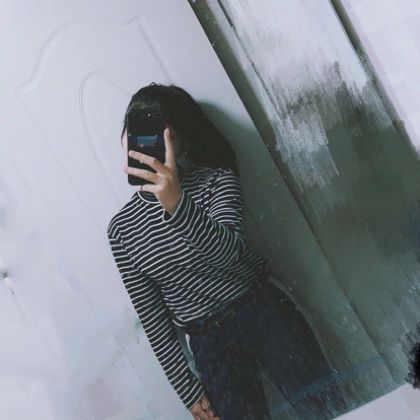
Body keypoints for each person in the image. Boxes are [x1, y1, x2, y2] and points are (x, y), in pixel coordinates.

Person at [107, 83, 348, 420]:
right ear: (123, 138)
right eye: (136, 129)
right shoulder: (122, 230)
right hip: (209, 340)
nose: (146, 143)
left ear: (180, 140)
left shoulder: (216, 181)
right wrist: (188, 390)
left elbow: (228, 253)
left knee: (326, 410)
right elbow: (154, 319)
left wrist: (177, 204)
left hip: (264, 311)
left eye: (160, 131)